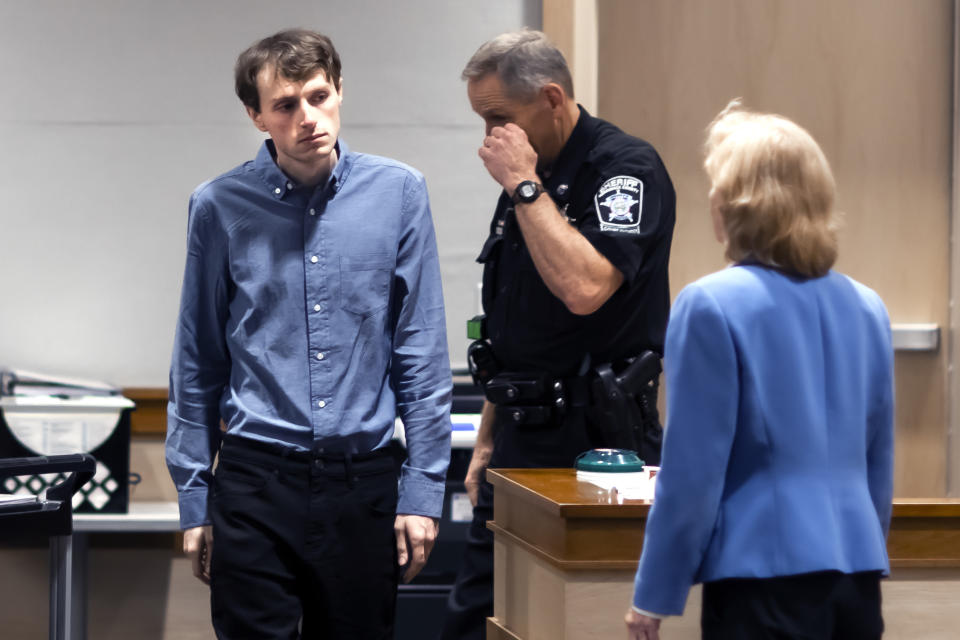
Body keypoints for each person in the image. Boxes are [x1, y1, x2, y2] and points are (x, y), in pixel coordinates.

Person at [165, 28, 452, 640]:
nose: (308, 118)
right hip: (254, 482)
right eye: (285, 105)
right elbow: (197, 360)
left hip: (363, 482)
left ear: (340, 90)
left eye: (319, 97)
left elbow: (420, 350)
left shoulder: (399, 193)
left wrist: (423, 490)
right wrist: (195, 498)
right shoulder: (218, 206)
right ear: (256, 116)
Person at [625, 101, 894, 640]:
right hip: (856, 581)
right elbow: (878, 462)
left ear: (737, 203)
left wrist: (654, 594)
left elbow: (692, 474)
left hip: (761, 579)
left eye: (717, 186)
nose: (710, 199)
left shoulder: (710, 305)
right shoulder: (868, 307)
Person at [442, 29, 675, 639]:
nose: (490, 138)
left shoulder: (623, 168)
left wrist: (523, 184)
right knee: (477, 620)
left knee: (577, 624)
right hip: (519, 438)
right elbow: (518, 329)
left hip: (599, 445)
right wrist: (487, 439)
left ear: (551, 98)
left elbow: (585, 289)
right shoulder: (532, 181)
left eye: (498, 118)